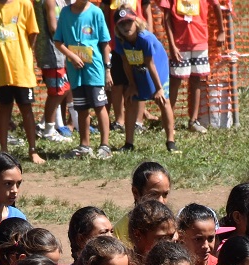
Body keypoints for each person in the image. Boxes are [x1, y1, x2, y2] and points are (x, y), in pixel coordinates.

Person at [53, 0, 112, 159]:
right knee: (81, 107)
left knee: (99, 105)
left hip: (94, 69)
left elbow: (105, 43)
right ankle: (84, 145)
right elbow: (58, 41)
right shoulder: (65, 13)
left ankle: (105, 146)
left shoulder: (96, 12)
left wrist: (107, 69)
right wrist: (71, 57)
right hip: (75, 71)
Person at [112, 4, 173, 152]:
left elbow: (150, 64)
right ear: (117, 28)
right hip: (138, 66)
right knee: (132, 100)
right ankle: (129, 144)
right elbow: (126, 62)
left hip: (157, 67)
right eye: (122, 24)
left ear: (136, 21)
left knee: (163, 101)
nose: (126, 27)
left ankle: (171, 141)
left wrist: (159, 89)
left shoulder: (145, 38)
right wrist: (132, 84)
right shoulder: (120, 39)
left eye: (129, 22)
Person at [156, 0, 222, 134]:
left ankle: (193, 120)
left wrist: (221, 31)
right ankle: (168, 121)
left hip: (200, 42)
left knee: (196, 79)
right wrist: (172, 45)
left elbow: (216, 5)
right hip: (179, 44)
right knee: (175, 80)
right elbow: (166, 18)